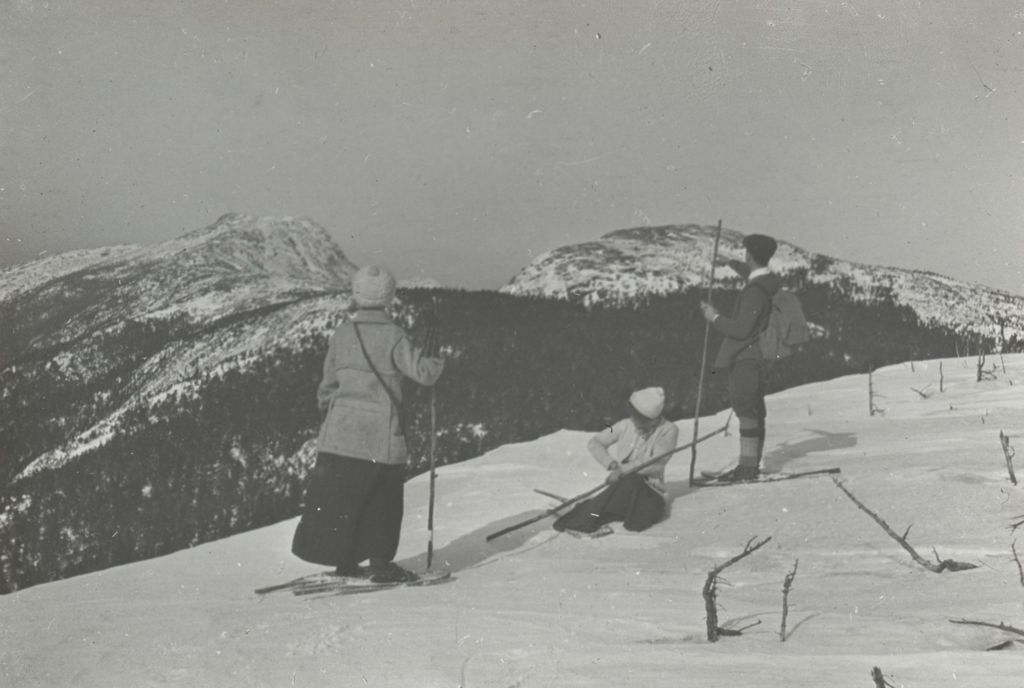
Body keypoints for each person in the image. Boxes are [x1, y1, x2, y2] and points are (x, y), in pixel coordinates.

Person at [291, 265, 444, 583]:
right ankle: (380, 564)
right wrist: (433, 345)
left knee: (343, 498)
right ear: (389, 297)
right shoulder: (394, 336)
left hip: (340, 429)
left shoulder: (342, 334)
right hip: (380, 433)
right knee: (383, 500)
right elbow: (425, 374)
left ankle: (344, 563)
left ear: (357, 294)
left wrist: (332, 416)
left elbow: (327, 385)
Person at [700, 233, 782, 481]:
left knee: (746, 408)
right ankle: (750, 465)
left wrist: (713, 317)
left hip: (746, 357)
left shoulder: (755, 292)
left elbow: (741, 330)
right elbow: (751, 274)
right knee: (754, 409)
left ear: (749, 255)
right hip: (758, 357)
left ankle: (747, 469)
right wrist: (728, 262)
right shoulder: (767, 281)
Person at [553, 387, 680, 535]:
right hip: (623, 489)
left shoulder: (668, 430)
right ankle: (579, 520)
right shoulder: (625, 425)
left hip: (651, 493)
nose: (636, 421)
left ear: (652, 418)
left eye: (641, 419)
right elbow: (595, 443)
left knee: (634, 525)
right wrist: (611, 464)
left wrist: (622, 470)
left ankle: (589, 509)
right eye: (634, 416)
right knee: (618, 493)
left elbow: (654, 462)